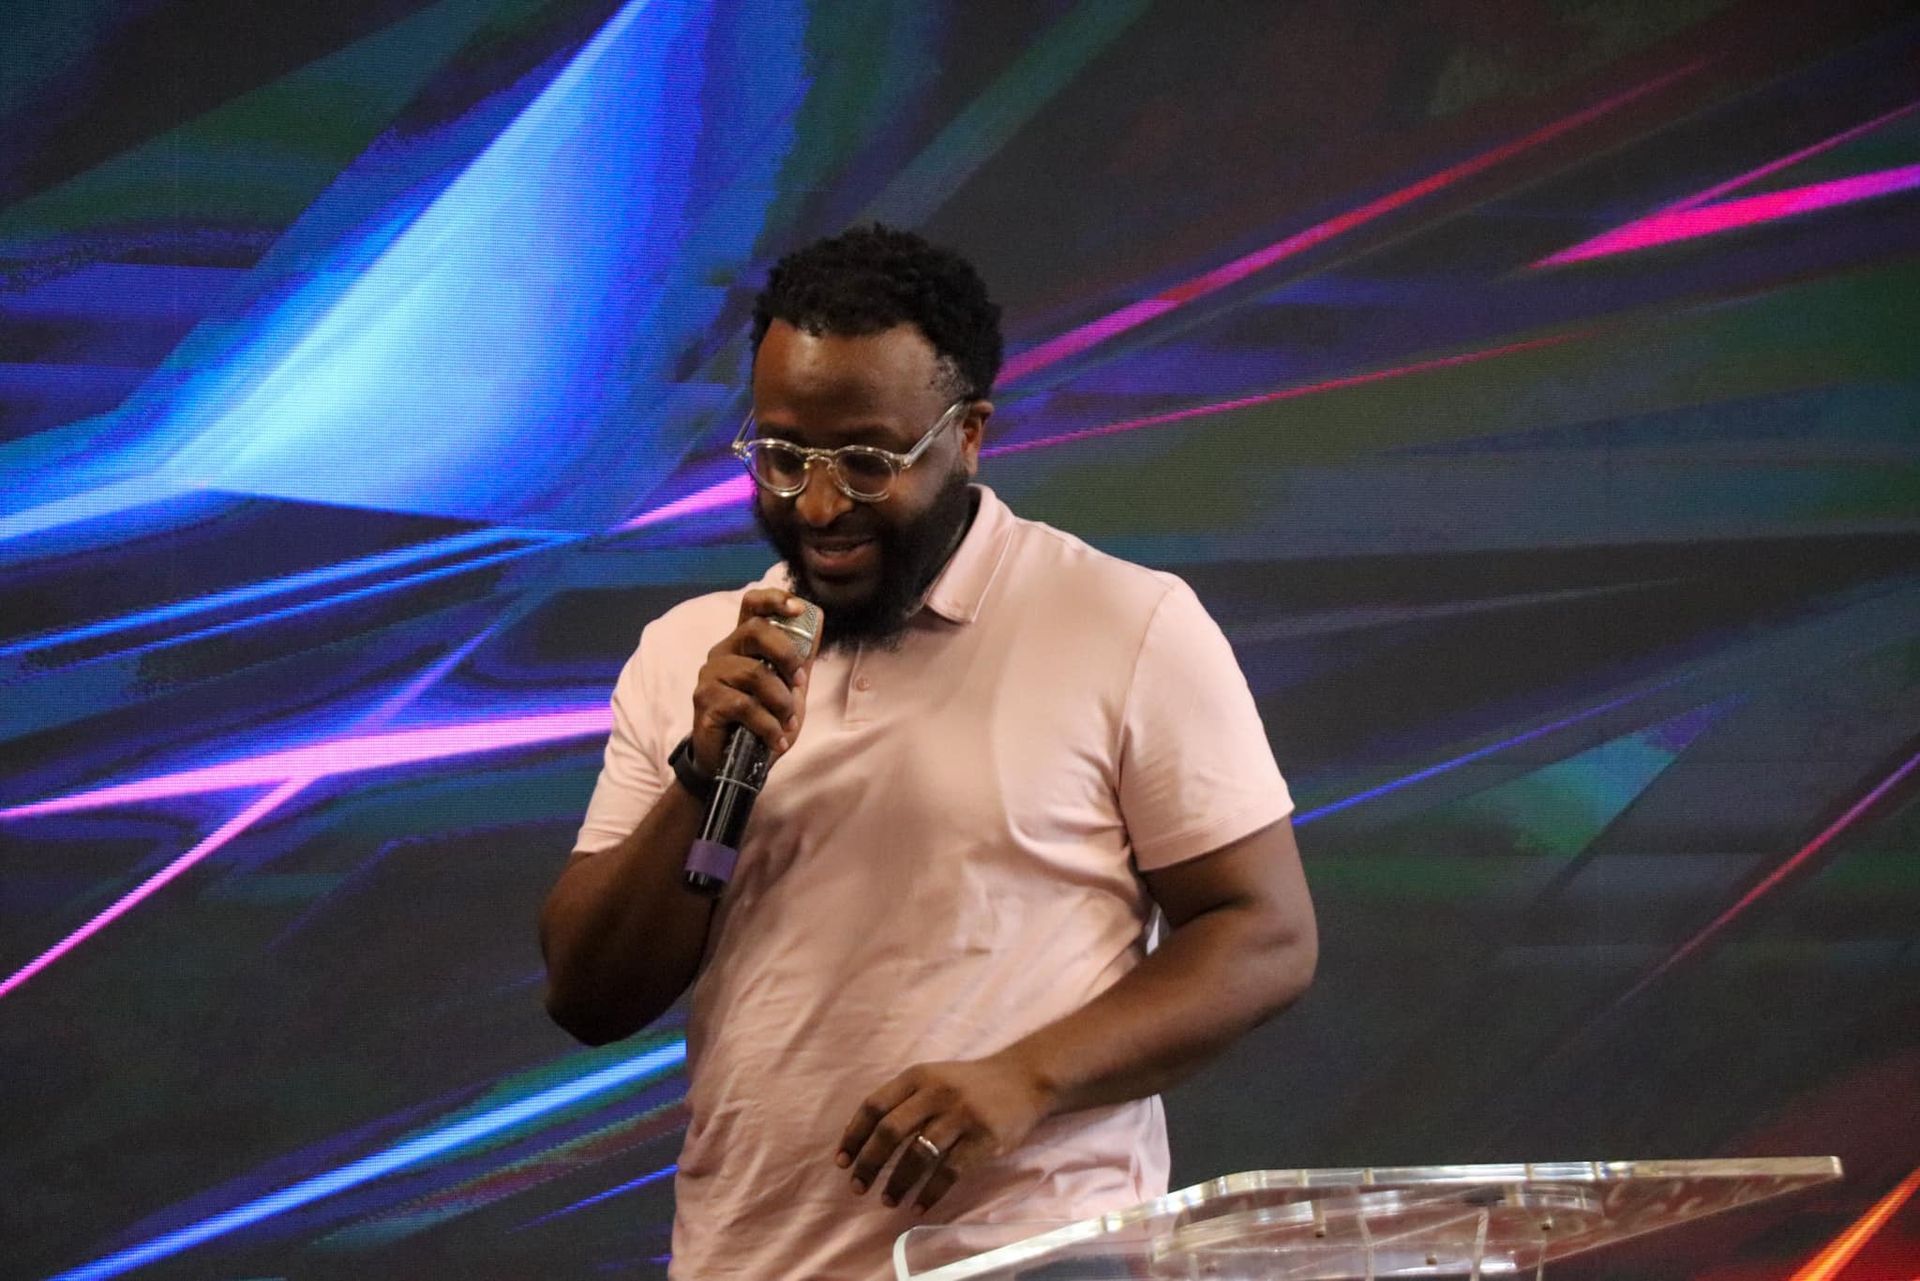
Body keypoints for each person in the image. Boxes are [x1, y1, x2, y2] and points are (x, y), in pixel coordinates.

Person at [539, 224, 1317, 1280]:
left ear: (970, 435)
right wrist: (699, 773)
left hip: (1035, 1258)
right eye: (783, 457)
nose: (817, 506)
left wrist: (1027, 1078)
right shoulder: (690, 654)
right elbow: (590, 995)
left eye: (867, 461)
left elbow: (1264, 934)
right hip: (745, 1258)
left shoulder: (1124, 623)